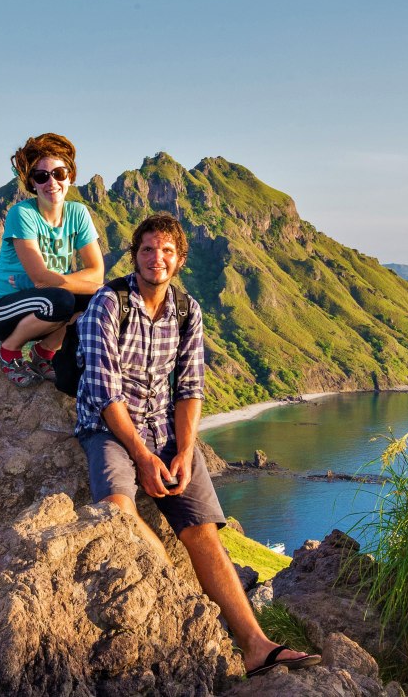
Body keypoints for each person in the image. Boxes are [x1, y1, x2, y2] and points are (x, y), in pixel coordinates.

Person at [73, 213, 322, 678]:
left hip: (164, 429)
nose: (156, 258)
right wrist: (144, 457)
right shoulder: (108, 304)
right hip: (108, 427)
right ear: (135, 256)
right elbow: (105, 394)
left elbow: (189, 389)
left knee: (203, 530)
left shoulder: (187, 311)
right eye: (147, 249)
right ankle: (175, 592)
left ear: (179, 259)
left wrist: (185, 451)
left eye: (166, 250)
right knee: (117, 510)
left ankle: (255, 645)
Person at [0, 133, 105, 387]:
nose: (51, 182)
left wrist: (95, 288)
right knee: (61, 300)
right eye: (41, 176)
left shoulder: (78, 213)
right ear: (32, 183)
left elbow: (96, 272)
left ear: (70, 176)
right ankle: (9, 352)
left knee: (97, 301)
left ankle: (43, 354)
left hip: (44, 301)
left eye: (59, 173)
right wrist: (79, 283)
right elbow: (40, 278)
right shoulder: (22, 214)